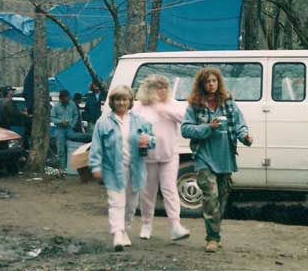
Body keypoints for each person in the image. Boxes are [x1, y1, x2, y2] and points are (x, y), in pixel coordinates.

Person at [181, 67, 253, 253]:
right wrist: (207, 127)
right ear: (201, 84)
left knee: (221, 198)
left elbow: (239, 124)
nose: (211, 84)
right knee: (210, 198)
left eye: (214, 81)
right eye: (207, 81)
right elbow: (185, 129)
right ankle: (211, 238)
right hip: (204, 157)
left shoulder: (228, 103)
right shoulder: (195, 105)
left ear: (218, 83)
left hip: (225, 157)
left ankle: (216, 233)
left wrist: (245, 137)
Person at [89, 85, 155, 252]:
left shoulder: (140, 121)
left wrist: (148, 140)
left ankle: (124, 228)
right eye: (118, 99)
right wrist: (95, 167)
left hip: (135, 169)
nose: (121, 103)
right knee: (116, 202)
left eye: (124, 99)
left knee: (131, 205)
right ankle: (117, 234)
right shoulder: (103, 122)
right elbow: (96, 147)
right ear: (112, 101)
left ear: (130, 101)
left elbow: (153, 140)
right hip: (112, 169)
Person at [133, 75, 190, 241]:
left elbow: (185, 119)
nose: (162, 91)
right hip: (147, 156)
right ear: (149, 90)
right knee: (147, 193)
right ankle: (146, 224)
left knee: (169, 190)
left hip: (169, 155)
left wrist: (164, 110)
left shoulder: (174, 105)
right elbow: (131, 128)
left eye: (165, 87)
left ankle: (175, 226)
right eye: (158, 87)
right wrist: (138, 139)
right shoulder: (139, 107)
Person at [51, 90, 78, 170]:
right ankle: (62, 168)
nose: (67, 99)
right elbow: (52, 117)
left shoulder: (72, 104)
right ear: (61, 98)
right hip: (60, 129)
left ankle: (71, 167)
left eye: (68, 98)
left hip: (69, 128)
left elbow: (76, 115)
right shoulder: (56, 106)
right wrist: (60, 122)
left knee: (71, 147)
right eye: (65, 98)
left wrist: (72, 125)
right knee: (61, 149)